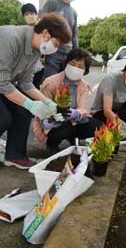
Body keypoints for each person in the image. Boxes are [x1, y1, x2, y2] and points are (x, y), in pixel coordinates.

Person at [0, 12, 72, 169]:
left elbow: (26, 82)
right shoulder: (10, 38)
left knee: (23, 111)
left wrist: (48, 103)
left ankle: (15, 156)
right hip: (2, 83)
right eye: (57, 44)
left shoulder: (36, 50)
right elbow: (3, 83)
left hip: (3, 83)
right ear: (45, 33)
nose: (56, 49)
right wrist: (30, 104)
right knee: (3, 117)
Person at [33, 48, 102, 153]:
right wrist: (51, 119)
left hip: (74, 121)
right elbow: (41, 111)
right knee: (64, 129)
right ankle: (52, 143)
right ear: (66, 63)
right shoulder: (51, 82)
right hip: (56, 124)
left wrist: (75, 113)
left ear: (85, 71)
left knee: (99, 127)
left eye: (80, 67)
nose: (75, 68)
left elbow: (83, 109)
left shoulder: (83, 86)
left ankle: (75, 139)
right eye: (73, 64)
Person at [42, 0, 80, 79]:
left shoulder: (74, 12)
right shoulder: (52, 3)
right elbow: (41, 25)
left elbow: (74, 35)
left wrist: (77, 54)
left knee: (64, 86)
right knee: (49, 82)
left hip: (68, 54)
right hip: (53, 52)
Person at [21, 3, 44, 89]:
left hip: (37, 70)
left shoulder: (42, 30)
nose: (29, 16)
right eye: (26, 14)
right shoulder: (22, 31)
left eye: (31, 13)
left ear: (36, 14)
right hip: (24, 72)